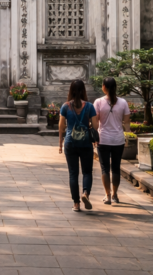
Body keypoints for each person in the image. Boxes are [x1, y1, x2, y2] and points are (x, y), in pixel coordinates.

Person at [59, 79, 97, 212]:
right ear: (83, 91)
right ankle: (85, 193)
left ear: (71, 91)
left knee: (73, 173)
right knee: (87, 172)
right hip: (86, 143)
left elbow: (61, 127)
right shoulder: (89, 106)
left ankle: (76, 204)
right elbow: (96, 126)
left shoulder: (65, 106)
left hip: (70, 143)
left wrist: (60, 144)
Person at [94, 77, 130, 205]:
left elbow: (95, 121)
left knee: (104, 168)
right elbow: (127, 123)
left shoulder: (98, 102)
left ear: (104, 87)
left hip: (103, 139)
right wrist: (127, 137)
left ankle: (107, 195)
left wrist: (94, 136)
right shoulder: (123, 102)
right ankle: (115, 194)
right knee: (116, 168)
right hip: (118, 139)